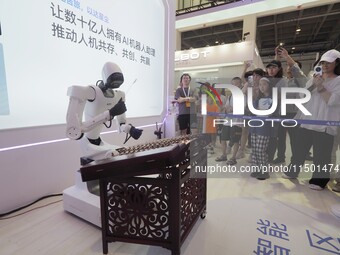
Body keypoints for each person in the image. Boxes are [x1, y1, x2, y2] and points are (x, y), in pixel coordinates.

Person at [283, 49, 340, 190]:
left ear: (337, 63)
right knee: (299, 149)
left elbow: (332, 101)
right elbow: (304, 95)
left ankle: (319, 180)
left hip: (325, 123)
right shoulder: (314, 77)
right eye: (323, 62)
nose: (325, 65)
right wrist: (315, 83)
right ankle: (292, 171)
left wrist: (320, 86)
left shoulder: (338, 81)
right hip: (307, 121)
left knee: (322, 154)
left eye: (328, 62)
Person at [66, 61, 143, 162]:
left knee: (122, 152)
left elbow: (121, 124)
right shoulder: (92, 92)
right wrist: (110, 114)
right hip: (86, 144)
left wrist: (129, 129)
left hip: (98, 141)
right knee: (115, 155)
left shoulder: (118, 95)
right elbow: (74, 130)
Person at [275, 46, 308, 164]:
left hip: (294, 114)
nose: (289, 68)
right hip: (281, 113)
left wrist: (287, 57)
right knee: (280, 138)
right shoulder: (283, 80)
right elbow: (275, 73)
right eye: (288, 66)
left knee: (294, 140)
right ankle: (280, 157)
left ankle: (295, 162)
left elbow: (297, 71)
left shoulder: (300, 80)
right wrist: (277, 57)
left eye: (291, 66)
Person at [249, 77, 278, 180]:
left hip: (265, 127)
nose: (261, 87)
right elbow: (253, 109)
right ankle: (256, 168)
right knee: (255, 149)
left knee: (261, 149)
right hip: (255, 125)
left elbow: (271, 112)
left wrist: (259, 111)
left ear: (269, 86)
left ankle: (264, 170)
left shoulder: (274, 98)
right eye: (260, 85)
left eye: (264, 84)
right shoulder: (258, 98)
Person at [265, 59, 288, 163]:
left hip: (279, 113)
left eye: (274, 67)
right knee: (271, 136)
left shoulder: (282, 81)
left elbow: (279, 97)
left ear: (279, 69)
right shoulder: (269, 80)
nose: (271, 70)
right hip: (270, 113)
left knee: (279, 137)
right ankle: (270, 156)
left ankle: (280, 157)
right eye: (269, 68)